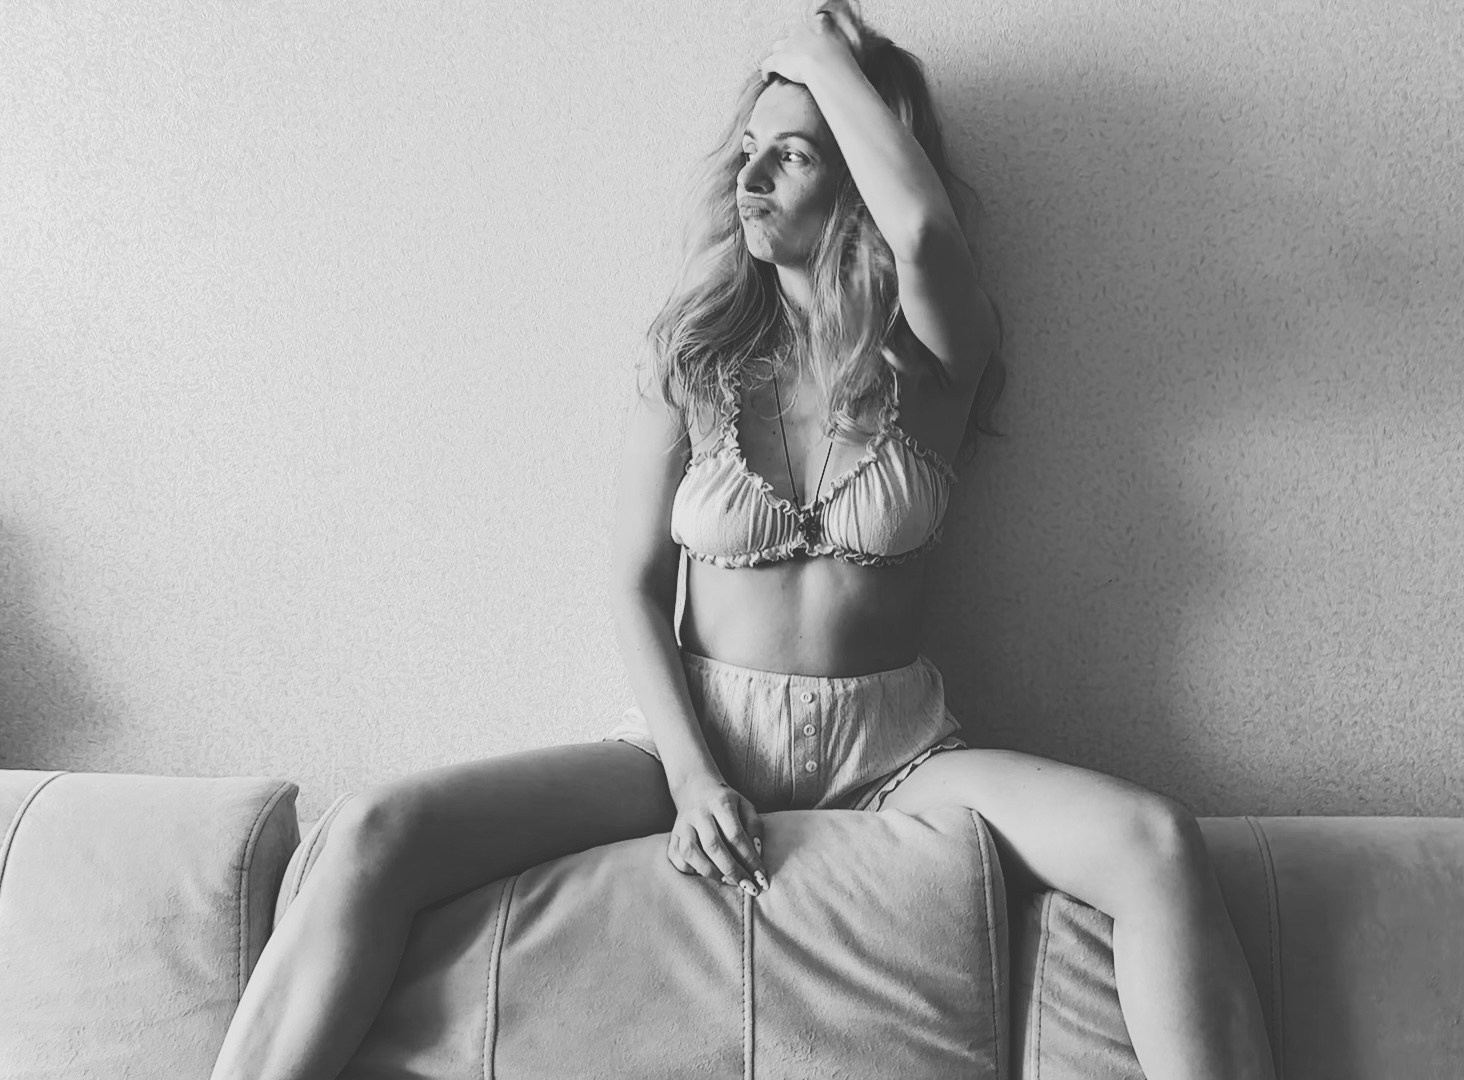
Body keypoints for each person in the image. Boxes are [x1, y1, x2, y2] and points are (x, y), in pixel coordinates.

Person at [211, 4, 1277, 1078]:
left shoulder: (938, 358)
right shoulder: (694, 357)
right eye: (748, 151)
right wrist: (690, 780)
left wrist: (821, 56)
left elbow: (922, 237)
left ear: (860, 174)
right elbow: (635, 586)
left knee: (1155, 844)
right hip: (693, 739)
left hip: (893, 753)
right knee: (373, 833)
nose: (750, 178)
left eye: (794, 154)